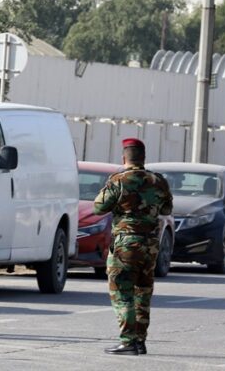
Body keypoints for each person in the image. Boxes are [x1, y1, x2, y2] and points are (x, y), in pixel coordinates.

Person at [94, 138, 173, 356]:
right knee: (143, 292)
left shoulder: (118, 180)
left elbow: (99, 207)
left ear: (124, 158)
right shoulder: (159, 181)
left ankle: (128, 341)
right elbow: (166, 210)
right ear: (143, 157)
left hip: (126, 244)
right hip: (150, 245)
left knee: (122, 291)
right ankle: (140, 341)